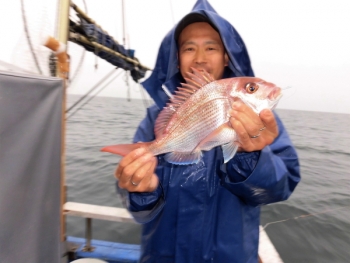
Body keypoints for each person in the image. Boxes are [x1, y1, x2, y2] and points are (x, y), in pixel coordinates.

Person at [114, 1, 301, 262]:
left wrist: (252, 156)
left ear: (227, 57)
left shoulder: (262, 122)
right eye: (189, 48)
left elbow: (281, 188)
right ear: (177, 60)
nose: (200, 58)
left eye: (211, 47)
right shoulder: (154, 119)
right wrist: (139, 189)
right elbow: (139, 210)